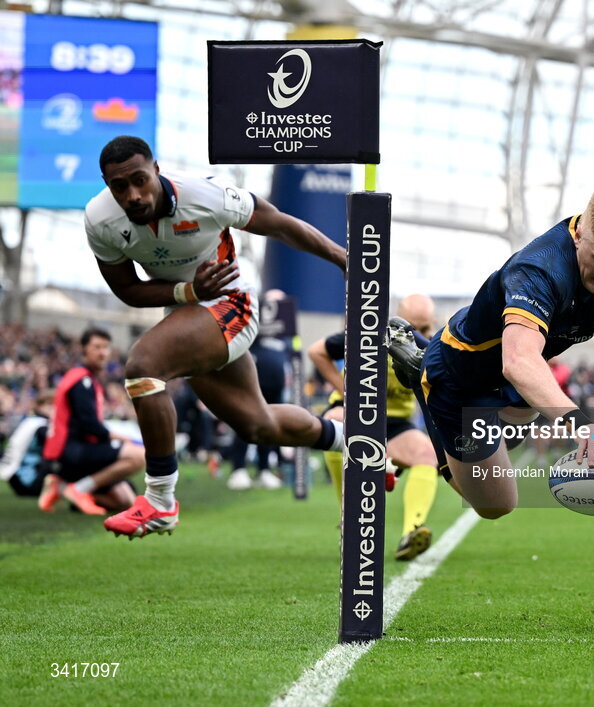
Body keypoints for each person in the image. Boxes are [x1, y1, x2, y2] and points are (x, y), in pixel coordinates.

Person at [85, 136, 347, 539]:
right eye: (120, 186)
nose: (133, 195)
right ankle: (357, 445)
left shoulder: (204, 194)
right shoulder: (100, 219)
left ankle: (159, 500)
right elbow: (128, 290)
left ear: (156, 171)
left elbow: (277, 222)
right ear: (107, 184)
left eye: (140, 180)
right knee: (258, 426)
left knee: (143, 366)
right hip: (189, 314)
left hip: (232, 304)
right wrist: (188, 293)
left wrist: (344, 260)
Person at [389, 187, 594, 519]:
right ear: (581, 232)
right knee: (496, 505)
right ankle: (420, 369)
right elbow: (518, 361)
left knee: (508, 441)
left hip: (520, 375)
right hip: (462, 377)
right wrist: (581, 426)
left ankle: (461, 427)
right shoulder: (539, 269)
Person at [309, 294, 441, 561]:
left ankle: (411, 533)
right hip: (356, 415)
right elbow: (317, 351)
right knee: (335, 421)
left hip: (396, 427)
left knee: (428, 454)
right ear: (399, 319)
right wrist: (346, 391)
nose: (419, 335)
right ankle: (349, 521)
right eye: (413, 327)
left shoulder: (437, 346)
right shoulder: (369, 332)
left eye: (425, 328)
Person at [40, 328, 146, 514]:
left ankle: (64, 487)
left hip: (78, 452)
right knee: (139, 455)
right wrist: (119, 438)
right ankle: (78, 490)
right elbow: (89, 425)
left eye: (106, 347)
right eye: (97, 347)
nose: (103, 352)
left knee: (125, 501)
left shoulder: (86, 378)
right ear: (84, 349)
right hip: (71, 452)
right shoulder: (82, 381)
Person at [225, 331, 288, 490]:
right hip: (249, 387)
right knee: (244, 425)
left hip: (275, 390)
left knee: (268, 427)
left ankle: (264, 469)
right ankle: (239, 469)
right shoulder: (255, 324)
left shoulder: (281, 334)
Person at [1, 390, 55, 499]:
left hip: (15, 478)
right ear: (40, 406)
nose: (53, 408)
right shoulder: (41, 425)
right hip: (28, 481)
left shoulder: (31, 421)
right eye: (50, 404)